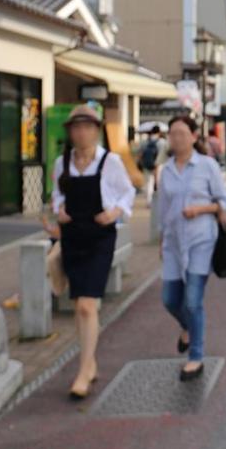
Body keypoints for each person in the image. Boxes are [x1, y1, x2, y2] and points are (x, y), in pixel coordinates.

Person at [51, 104, 136, 399]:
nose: (81, 132)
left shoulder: (109, 161)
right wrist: (58, 210)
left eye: (87, 126)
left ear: (96, 130)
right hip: (73, 235)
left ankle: (83, 370)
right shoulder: (62, 163)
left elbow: (128, 192)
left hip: (100, 237)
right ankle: (90, 362)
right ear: (70, 132)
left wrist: (114, 213)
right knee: (79, 305)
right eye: (76, 127)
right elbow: (57, 195)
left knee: (88, 305)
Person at [157, 115, 226, 382]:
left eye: (181, 133)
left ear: (193, 137)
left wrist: (201, 209)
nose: (176, 138)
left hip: (201, 240)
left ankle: (196, 357)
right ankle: (187, 328)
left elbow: (225, 201)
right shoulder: (165, 170)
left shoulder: (207, 165)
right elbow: (162, 210)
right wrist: (161, 241)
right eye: (172, 133)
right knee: (169, 298)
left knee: (192, 300)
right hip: (173, 244)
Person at [138, 130, 164, 205]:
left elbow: (140, 153)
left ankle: (149, 201)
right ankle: (159, 200)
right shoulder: (162, 142)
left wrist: (141, 163)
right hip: (159, 165)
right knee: (158, 183)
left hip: (147, 165)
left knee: (149, 183)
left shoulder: (145, 142)